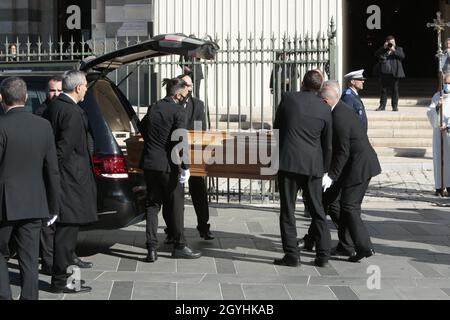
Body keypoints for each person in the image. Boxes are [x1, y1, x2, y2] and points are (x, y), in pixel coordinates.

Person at [0, 77, 60, 300]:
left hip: (4, 204)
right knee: (29, 258)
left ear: (1, 99)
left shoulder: (1, 125)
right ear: (25, 98)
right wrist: (53, 206)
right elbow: (52, 169)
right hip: (35, 202)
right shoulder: (43, 126)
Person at [43, 70, 97, 294]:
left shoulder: (55, 106)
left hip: (63, 180)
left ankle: (67, 278)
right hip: (69, 182)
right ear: (77, 88)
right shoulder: (72, 112)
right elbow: (62, 151)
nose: (86, 89)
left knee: (65, 233)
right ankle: (61, 281)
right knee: (66, 235)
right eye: (85, 85)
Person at [273, 70, 332, 268]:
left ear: (302, 83)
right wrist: (324, 169)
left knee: (288, 210)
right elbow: (328, 143)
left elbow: (277, 129)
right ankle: (323, 255)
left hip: (288, 162)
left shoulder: (288, 98)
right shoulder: (325, 108)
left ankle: (292, 255)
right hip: (313, 165)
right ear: (320, 87)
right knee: (317, 210)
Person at [140, 77, 202, 263]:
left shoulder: (154, 107)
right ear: (177, 94)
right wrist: (186, 167)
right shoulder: (178, 111)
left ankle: (151, 248)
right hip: (168, 164)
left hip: (150, 163)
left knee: (152, 205)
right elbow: (181, 140)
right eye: (184, 94)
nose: (186, 97)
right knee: (175, 204)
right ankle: (180, 245)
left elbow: (142, 127)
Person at [319, 81, 381, 262]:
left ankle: (364, 246)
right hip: (353, 165)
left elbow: (343, 151)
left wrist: (331, 176)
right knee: (335, 204)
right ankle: (345, 245)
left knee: (349, 207)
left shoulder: (339, 116)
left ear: (326, 101)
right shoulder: (339, 110)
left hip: (359, 166)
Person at [163, 74, 214, 243]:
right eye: (187, 85)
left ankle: (203, 226)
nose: (190, 88)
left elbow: (201, 130)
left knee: (199, 191)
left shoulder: (198, 105)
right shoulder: (170, 103)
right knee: (174, 194)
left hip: (193, 153)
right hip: (173, 154)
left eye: (191, 85)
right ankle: (173, 230)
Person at [426, 73, 450, 196]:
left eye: (449, 83)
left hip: (448, 132)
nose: (447, 85)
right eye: (445, 83)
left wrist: (448, 126)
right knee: (439, 158)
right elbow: (430, 112)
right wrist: (437, 108)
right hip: (438, 133)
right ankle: (439, 186)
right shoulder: (437, 96)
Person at [374, 35, 406, 112]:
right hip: (384, 73)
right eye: (390, 43)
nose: (391, 44)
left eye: (393, 42)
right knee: (383, 90)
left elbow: (402, 56)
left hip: (394, 74)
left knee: (395, 90)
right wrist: (383, 48)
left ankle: (394, 106)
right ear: (386, 43)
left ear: (395, 42)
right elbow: (376, 54)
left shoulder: (398, 49)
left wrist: (393, 50)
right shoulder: (383, 49)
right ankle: (382, 106)